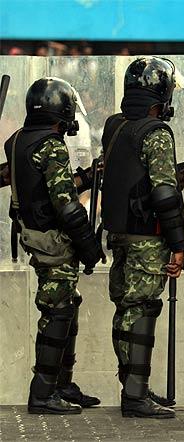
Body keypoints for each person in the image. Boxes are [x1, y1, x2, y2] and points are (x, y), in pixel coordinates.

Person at [4, 78, 103, 414]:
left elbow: (40, 183)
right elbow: (65, 204)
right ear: (61, 110)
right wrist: (89, 246)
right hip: (54, 241)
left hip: (33, 234)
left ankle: (62, 385)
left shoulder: (16, 141)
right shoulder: (52, 145)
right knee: (57, 312)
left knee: (67, 306)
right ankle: (43, 392)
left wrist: (88, 176)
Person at [101, 57, 184, 419]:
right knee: (142, 311)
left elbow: (131, 176)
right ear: (161, 95)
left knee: (126, 309)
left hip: (118, 233)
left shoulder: (115, 126)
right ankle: (135, 396)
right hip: (146, 239)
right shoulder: (155, 132)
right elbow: (164, 193)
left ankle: (132, 385)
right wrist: (180, 244)